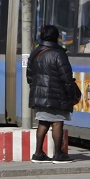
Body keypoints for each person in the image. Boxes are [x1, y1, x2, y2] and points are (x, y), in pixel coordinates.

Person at [27, 24, 76, 164]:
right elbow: (66, 78)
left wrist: (38, 90)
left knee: (43, 122)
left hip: (38, 94)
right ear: (56, 37)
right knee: (57, 122)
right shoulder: (59, 54)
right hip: (56, 95)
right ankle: (58, 154)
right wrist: (71, 94)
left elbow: (29, 77)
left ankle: (38, 153)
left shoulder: (35, 53)